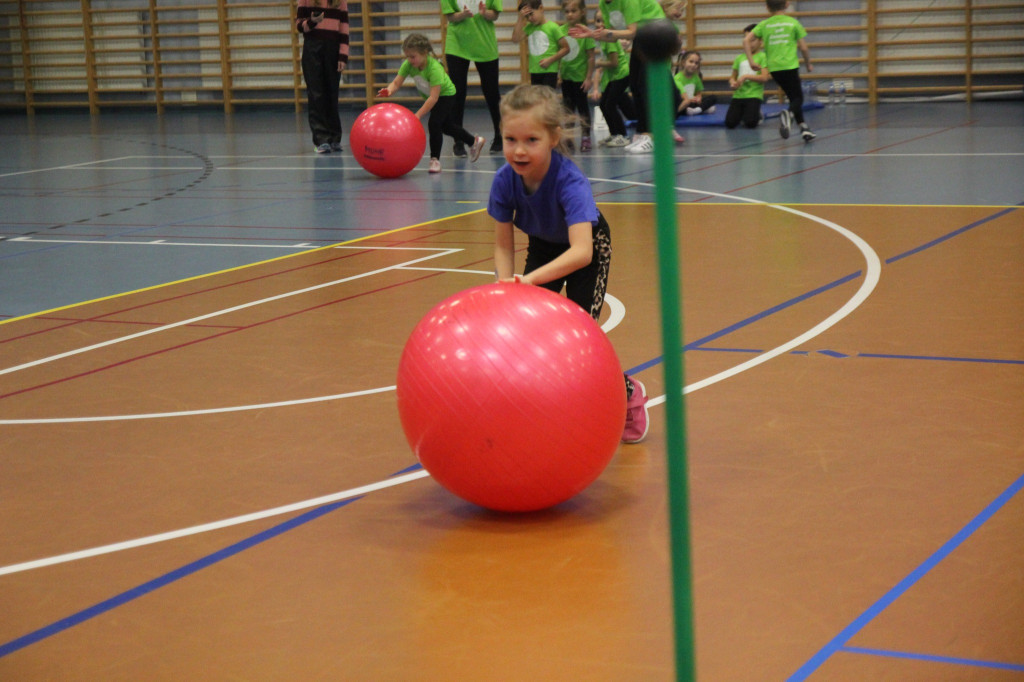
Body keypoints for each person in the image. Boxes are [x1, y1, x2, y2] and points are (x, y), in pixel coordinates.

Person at [489, 84, 650, 444]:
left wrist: (526, 283)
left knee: (580, 340)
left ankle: (628, 392)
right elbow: (502, 246)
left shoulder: (569, 181)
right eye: (510, 139)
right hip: (544, 247)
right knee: (527, 331)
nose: (518, 150)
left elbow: (581, 253)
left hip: (588, 248)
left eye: (531, 139)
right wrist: (505, 288)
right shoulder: (504, 181)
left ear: (553, 137)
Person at [568, 0, 683, 154]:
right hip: (640, 39)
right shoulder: (604, 4)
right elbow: (612, 35)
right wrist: (592, 34)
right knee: (635, 85)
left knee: (645, 85)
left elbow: (631, 31)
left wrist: (607, 33)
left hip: (656, 38)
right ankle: (643, 133)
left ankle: (650, 135)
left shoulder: (629, 1)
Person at [376, 33, 486, 174]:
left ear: (424, 53)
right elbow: (397, 82)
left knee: (434, 123)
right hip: (434, 97)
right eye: (407, 56)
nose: (410, 60)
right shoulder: (409, 64)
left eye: (413, 56)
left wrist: (418, 115)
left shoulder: (434, 68)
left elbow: (434, 98)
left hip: (446, 95)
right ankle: (474, 141)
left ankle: (435, 160)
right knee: (446, 127)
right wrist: (389, 90)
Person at [745, 0, 816, 141]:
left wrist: (751, 62)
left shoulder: (764, 24)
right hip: (789, 66)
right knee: (798, 98)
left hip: (774, 69)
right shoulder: (793, 23)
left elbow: (745, 41)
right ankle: (788, 115)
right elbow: (803, 48)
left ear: (767, 7)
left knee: (792, 96)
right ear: (787, 4)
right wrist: (808, 64)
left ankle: (804, 128)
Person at [441, 0, 504, 156]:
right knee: (457, 93)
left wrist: (484, 13)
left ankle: (499, 136)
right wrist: (462, 15)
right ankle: (459, 141)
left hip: (484, 43)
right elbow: (450, 16)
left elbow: (495, 15)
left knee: (492, 93)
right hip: (457, 44)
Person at [295, 0, 349, 154]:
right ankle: (321, 139)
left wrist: (343, 55)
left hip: (333, 49)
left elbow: (344, 28)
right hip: (312, 47)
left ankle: (334, 138)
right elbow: (299, 26)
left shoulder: (340, 2)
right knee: (316, 94)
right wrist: (312, 22)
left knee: (332, 93)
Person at [588, 9, 635, 147]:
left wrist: (599, 63)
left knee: (610, 105)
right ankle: (614, 134)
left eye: (603, 20)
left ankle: (623, 136)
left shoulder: (610, 39)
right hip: (615, 75)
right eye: (597, 20)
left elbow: (614, 62)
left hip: (622, 74)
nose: (600, 24)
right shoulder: (603, 39)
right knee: (603, 105)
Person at [559, 0, 597, 151]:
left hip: (580, 79)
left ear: (582, 12)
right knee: (568, 109)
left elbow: (591, 57)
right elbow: (559, 54)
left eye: (573, 11)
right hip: (566, 77)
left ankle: (586, 136)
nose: (569, 14)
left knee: (582, 109)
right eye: (567, 11)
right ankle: (568, 138)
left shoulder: (586, 32)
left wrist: (588, 78)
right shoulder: (560, 31)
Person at [512, 0, 570, 89]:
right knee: (537, 99)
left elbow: (566, 48)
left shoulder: (553, 27)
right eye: (526, 17)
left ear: (541, 8)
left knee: (547, 99)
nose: (529, 18)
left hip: (549, 70)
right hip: (534, 70)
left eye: (531, 14)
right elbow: (515, 39)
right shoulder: (529, 27)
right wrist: (520, 18)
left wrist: (550, 60)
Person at [725, 24, 770, 129]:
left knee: (750, 123)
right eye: (747, 40)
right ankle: (744, 113)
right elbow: (733, 77)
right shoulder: (739, 58)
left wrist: (746, 77)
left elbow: (764, 78)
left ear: (760, 41)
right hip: (738, 95)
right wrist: (732, 83)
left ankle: (756, 112)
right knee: (730, 123)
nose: (749, 44)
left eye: (753, 40)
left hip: (753, 95)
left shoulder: (763, 57)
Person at [674, 50, 718, 116]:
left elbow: (698, 93)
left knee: (713, 97)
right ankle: (701, 109)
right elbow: (685, 99)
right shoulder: (677, 78)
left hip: (692, 103)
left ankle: (697, 110)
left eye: (696, 63)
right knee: (679, 106)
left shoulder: (696, 77)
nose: (693, 65)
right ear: (683, 63)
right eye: (691, 62)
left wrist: (698, 98)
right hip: (683, 102)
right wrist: (690, 99)